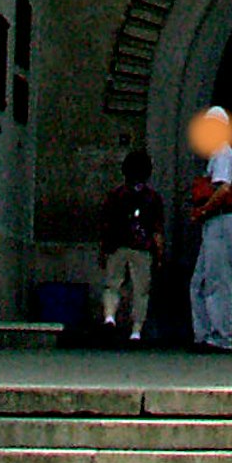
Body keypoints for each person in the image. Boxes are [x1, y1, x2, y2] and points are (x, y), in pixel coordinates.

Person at [187, 113, 232, 351]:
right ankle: (205, 334)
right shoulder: (218, 154)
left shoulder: (222, 153)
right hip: (216, 222)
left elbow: (223, 190)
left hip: (221, 221)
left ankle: (220, 337)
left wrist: (202, 211)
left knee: (217, 281)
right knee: (199, 282)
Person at [100, 146, 165, 344]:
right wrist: (160, 255)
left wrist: (103, 249)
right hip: (142, 248)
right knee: (141, 291)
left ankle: (110, 316)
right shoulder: (153, 198)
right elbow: (157, 231)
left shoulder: (115, 195)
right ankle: (136, 331)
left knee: (112, 285)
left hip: (117, 245)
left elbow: (106, 224)